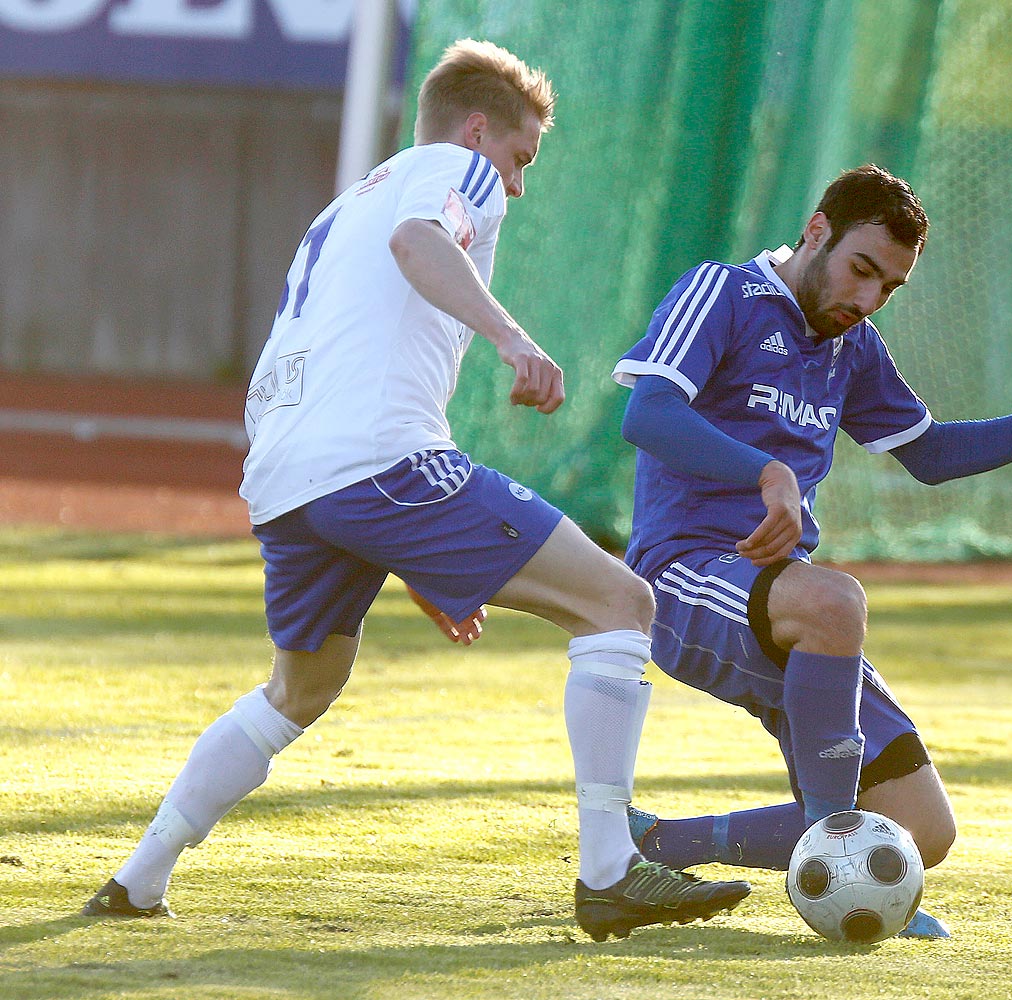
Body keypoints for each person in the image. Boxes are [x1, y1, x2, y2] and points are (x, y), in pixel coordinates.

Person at [80, 38, 750, 943]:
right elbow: (418, 241)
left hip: (286, 475)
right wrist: (515, 338)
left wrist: (414, 556)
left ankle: (136, 879)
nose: (517, 186)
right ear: (479, 132)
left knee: (302, 686)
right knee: (619, 603)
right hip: (374, 461)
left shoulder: (347, 202)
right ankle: (610, 872)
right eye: (520, 159)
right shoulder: (452, 173)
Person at [611, 164, 1012, 939]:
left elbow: (931, 453)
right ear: (815, 232)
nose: (867, 300)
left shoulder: (853, 347)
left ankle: (654, 844)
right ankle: (836, 857)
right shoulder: (723, 293)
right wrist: (764, 471)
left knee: (918, 834)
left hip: (789, 604)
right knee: (835, 601)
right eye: (861, 271)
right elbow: (648, 412)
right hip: (679, 577)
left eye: (888, 288)